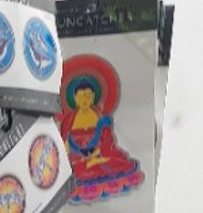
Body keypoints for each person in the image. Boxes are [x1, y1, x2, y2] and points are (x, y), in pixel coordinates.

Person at [61, 74, 145, 204]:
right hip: (78, 159)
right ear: (75, 98)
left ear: (93, 97)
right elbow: (64, 145)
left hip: (100, 155)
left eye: (88, 96)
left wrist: (97, 156)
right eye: (81, 96)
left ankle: (96, 168)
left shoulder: (100, 117)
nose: (84, 99)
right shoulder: (69, 120)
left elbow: (108, 142)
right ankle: (90, 172)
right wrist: (75, 159)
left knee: (121, 160)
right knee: (77, 171)